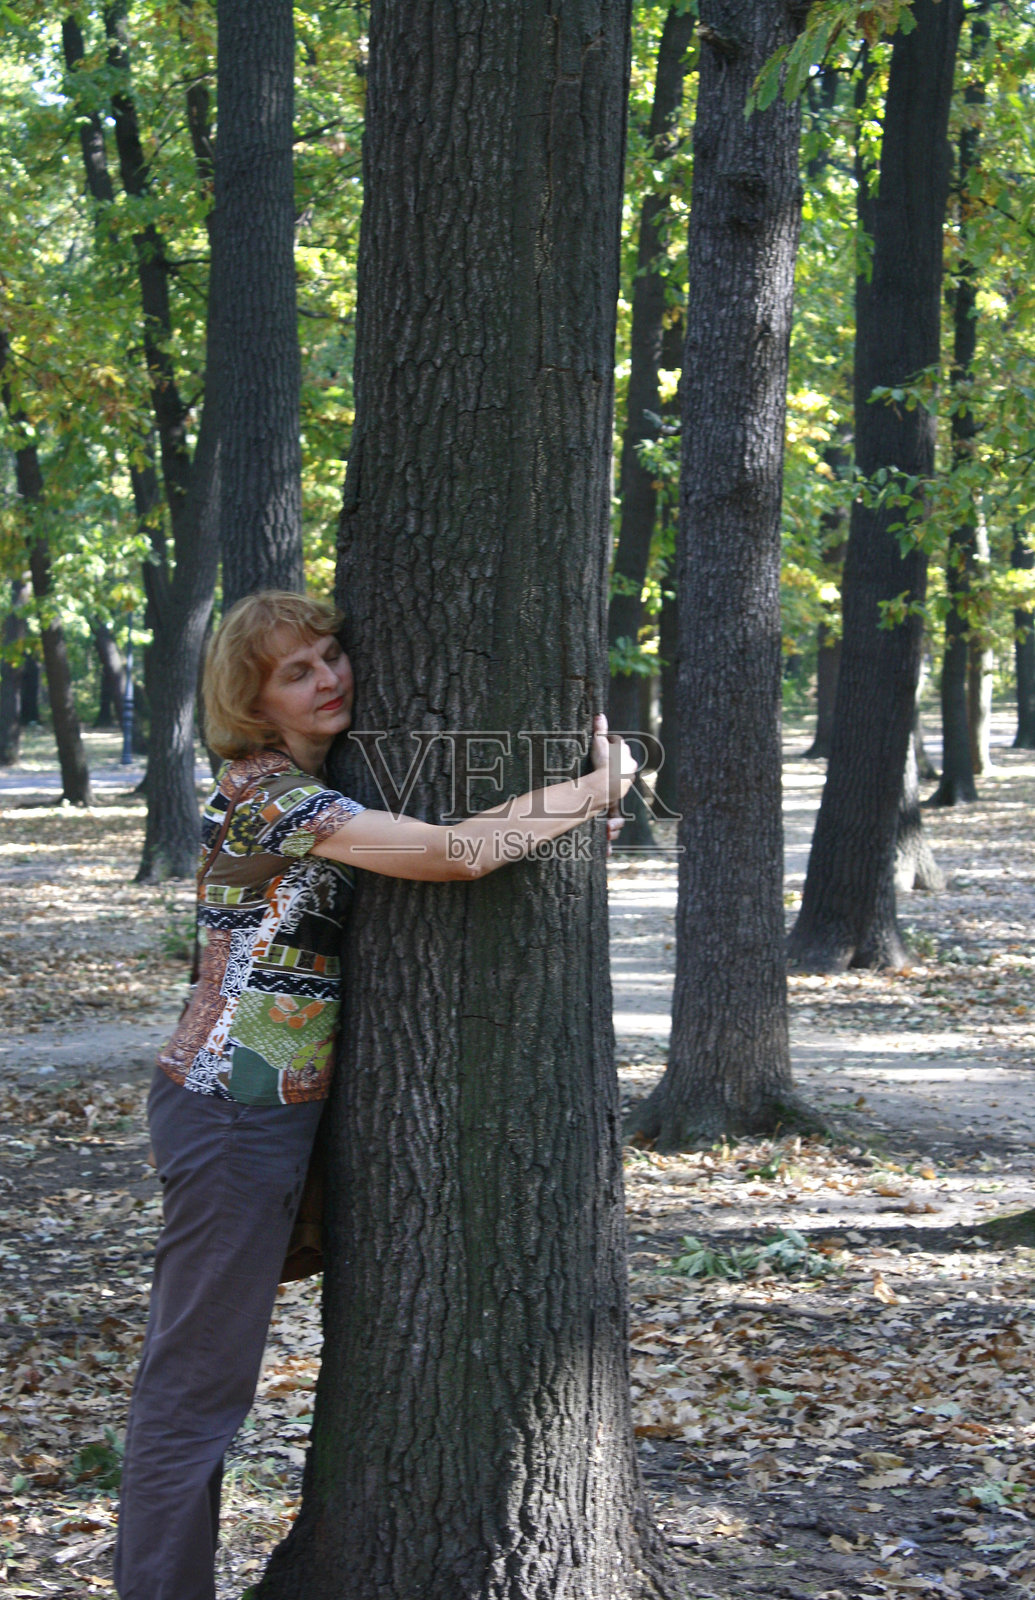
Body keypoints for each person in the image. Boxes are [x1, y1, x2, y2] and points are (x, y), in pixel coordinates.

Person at [113, 589, 636, 1600]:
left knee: (200, 1386)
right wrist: (594, 788)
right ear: (254, 702)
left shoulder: (319, 790)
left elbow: (428, 849)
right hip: (232, 1110)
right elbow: (446, 854)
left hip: (270, 1109)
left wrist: (558, 840)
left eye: (329, 655)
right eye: (297, 671)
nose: (330, 676)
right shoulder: (272, 798)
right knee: (194, 1395)